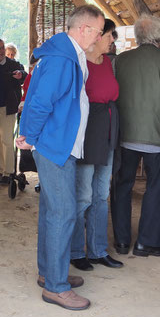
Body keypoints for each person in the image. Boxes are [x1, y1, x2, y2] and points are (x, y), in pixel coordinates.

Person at [17, 4, 105, 311]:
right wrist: (28, 134)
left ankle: (48, 273)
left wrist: (30, 134)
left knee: (51, 211)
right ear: (84, 29)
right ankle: (56, 286)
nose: (99, 37)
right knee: (64, 212)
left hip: (58, 142)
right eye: (97, 31)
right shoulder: (61, 59)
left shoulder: (64, 54)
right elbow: (40, 102)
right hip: (55, 145)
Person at [111, 14, 160, 257]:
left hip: (125, 134)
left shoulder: (119, 61)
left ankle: (122, 241)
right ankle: (147, 242)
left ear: (137, 36)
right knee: (156, 187)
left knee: (122, 186)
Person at [70, 19, 123, 272]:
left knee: (102, 195)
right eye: (111, 35)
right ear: (99, 36)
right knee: (83, 196)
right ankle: (75, 251)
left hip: (108, 131)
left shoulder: (109, 64)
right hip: (89, 132)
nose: (113, 40)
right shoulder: (81, 63)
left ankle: (98, 250)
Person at [0, 38, 25, 184]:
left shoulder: (13, 64)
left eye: (2, 48)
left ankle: (9, 173)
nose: (1, 51)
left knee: (6, 141)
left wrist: (21, 74)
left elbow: (24, 77)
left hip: (7, 108)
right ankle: (1, 169)